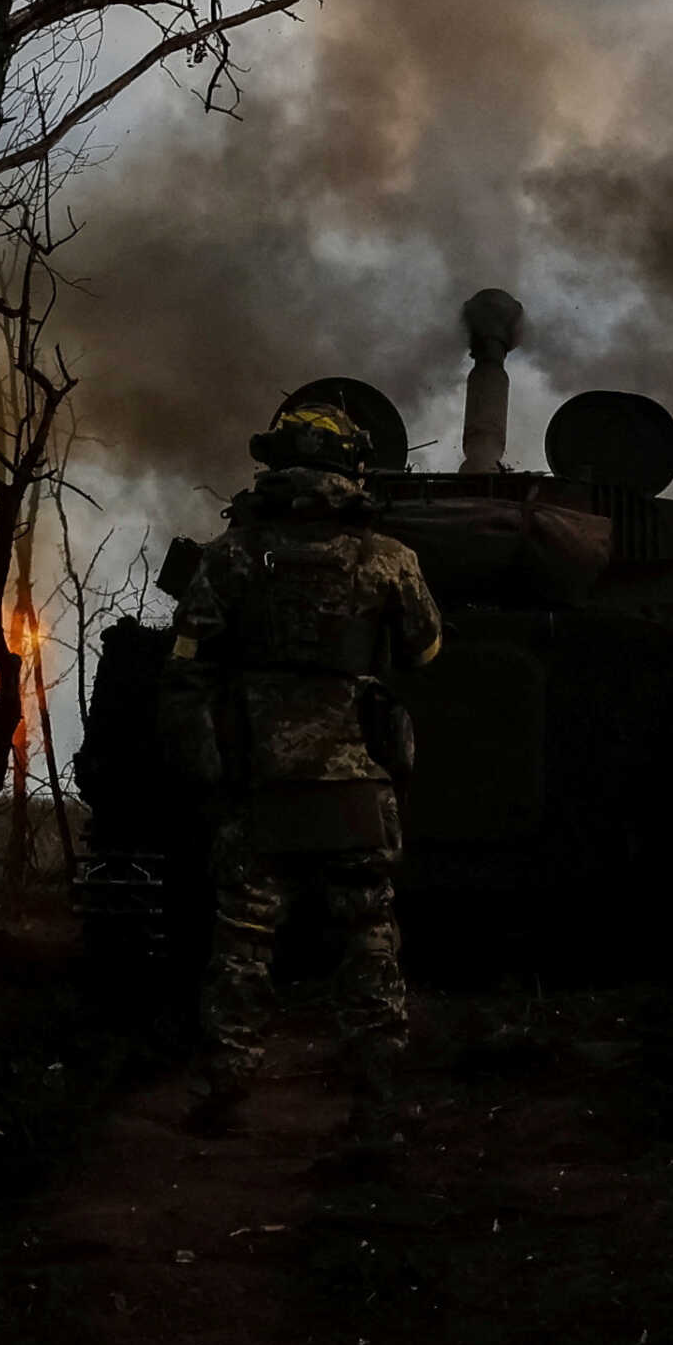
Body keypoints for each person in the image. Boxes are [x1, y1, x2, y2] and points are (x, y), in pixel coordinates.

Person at [163, 401, 442, 1139]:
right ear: (351, 470)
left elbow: (187, 664)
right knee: (370, 938)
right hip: (356, 784)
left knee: (242, 942)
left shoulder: (232, 556)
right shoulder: (388, 558)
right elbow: (424, 652)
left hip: (260, 782)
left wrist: (209, 768)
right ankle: (378, 1098)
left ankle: (225, 1088)